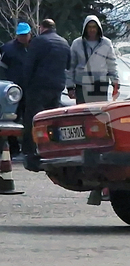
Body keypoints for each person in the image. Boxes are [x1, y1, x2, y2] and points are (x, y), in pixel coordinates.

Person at [22, 19, 71, 171]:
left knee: (33, 120)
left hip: (38, 86)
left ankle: (31, 154)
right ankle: (52, 151)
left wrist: (24, 84)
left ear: (41, 27)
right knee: (52, 121)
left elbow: (29, 64)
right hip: (56, 86)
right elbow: (68, 65)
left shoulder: (38, 41)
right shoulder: (64, 42)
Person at [67, 15, 119, 104]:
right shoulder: (77, 44)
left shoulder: (106, 43)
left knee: (98, 114)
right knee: (83, 114)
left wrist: (115, 83)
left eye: (94, 27)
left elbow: (112, 64)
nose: (92, 30)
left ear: (98, 28)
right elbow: (70, 67)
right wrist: (70, 87)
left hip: (100, 84)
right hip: (82, 85)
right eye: (89, 27)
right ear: (85, 28)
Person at [1, 22, 32, 155]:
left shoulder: (35, 48)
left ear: (30, 34)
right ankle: (13, 146)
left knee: (29, 117)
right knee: (11, 118)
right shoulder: (8, 49)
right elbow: (2, 68)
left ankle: (28, 146)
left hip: (30, 88)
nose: (23, 38)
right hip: (13, 91)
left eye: (25, 35)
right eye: (20, 35)